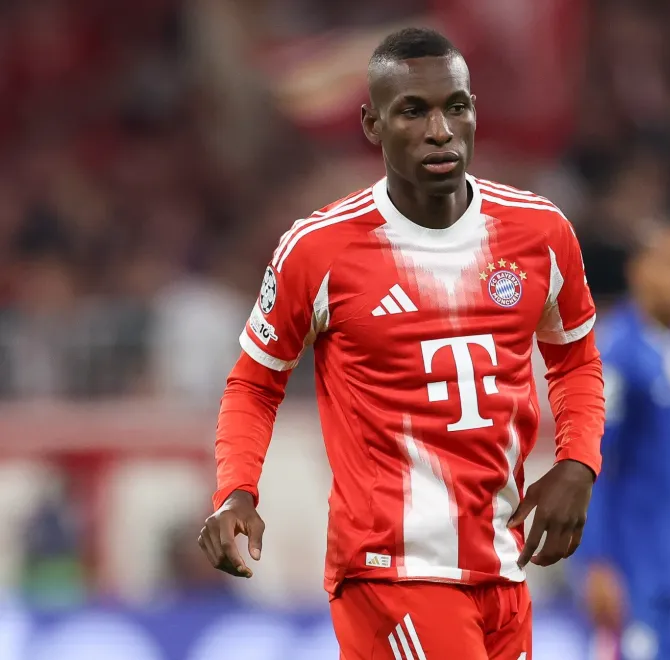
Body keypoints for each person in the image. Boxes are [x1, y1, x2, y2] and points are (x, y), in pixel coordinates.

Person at [197, 27, 605, 659]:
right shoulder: (320, 249)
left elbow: (575, 360)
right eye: (413, 111)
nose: (440, 131)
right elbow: (254, 383)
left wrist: (577, 463)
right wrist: (236, 490)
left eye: (455, 107)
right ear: (372, 124)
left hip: (501, 563)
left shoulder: (540, 233)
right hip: (391, 569)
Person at [573, 222, 670, 660]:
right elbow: (587, 460)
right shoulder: (616, 353)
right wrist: (595, 560)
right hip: (625, 558)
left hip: (667, 553)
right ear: (639, 270)